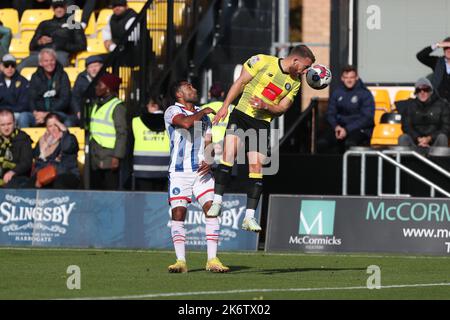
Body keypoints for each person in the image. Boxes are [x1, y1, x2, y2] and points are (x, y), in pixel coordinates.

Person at [206, 45, 316, 232]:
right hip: (240, 115)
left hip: (261, 123)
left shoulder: (296, 82)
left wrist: (266, 105)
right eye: (305, 67)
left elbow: (282, 109)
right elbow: (240, 82)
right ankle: (217, 202)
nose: (306, 72)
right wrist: (225, 106)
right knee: (228, 156)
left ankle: (249, 217)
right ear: (295, 60)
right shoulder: (262, 61)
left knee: (256, 168)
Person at [164, 80, 229, 273]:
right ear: (179, 94)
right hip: (179, 172)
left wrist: (210, 158)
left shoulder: (204, 114)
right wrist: (202, 112)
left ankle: (212, 260)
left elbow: (209, 140)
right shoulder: (172, 111)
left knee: (212, 210)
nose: (193, 88)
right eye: (188, 86)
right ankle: (181, 261)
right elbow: (185, 123)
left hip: (202, 172)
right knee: (178, 213)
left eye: (193, 85)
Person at [317, 65, 375, 154]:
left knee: (350, 143)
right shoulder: (337, 93)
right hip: (340, 128)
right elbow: (330, 113)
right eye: (346, 77)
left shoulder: (365, 94)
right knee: (322, 143)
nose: (349, 80)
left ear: (356, 78)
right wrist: (336, 127)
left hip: (359, 129)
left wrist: (347, 129)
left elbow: (367, 118)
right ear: (342, 78)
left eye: (352, 77)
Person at [18, 0, 87, 70]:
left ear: (66, 8)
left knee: (58, 68)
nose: (59, 10)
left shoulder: (75, 25)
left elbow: (82, 45)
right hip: (41, 53)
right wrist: (39, 42)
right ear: (53, 9)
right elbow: (31, 46)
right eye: (56, 7)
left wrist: (64, 45)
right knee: (20, 66)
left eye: (61, 7)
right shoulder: (44, 24)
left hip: (60, 54)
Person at [89, 72, 127, 190]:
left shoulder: (117, 106)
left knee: (110, 189)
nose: (96, 87)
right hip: (96, 153)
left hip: (109, 155)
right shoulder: (97, 104)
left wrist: (117, 157)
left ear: (108, 89)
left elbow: (122, 133)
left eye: (100, 85)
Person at [398, 78, 449, 151]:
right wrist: (418, 139)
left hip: (435, 143)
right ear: (416, 93)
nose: (422, 92)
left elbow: (446, 127)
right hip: (415, 143)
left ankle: (441, 162)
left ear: (430, 91)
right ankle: (403, 162)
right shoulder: (410, 106)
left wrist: (429, 138)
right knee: (403, 138)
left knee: (442, 137)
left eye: (426, 90)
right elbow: (406, 127)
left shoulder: (442, 105)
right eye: (419, 90)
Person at [131, 96, 170, 191]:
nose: (147, 106)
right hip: (164, 168)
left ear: (154, 106)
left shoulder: (136, 121)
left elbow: (130, 144)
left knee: (145, 201)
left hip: (142, 169)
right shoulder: (170, 122)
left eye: (149, 104)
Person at [32, 113, 80, 189]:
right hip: (46, 176)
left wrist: (65, 132)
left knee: (58, 182)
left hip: (67, 175)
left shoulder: (69, 138)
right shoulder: (42, 142)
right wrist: (40, 176)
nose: (53, 128)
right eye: (50, 126)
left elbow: (67, 148)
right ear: (47, 128)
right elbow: (38, 164)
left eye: (56, 125)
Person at [28, 48, 74, 127]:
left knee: (69, 121)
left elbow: (65, 99)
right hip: (39, 113)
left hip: (58, 112)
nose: (49, 63)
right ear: (40, 63)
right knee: (23, 118)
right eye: (46, 61)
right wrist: (35, 112)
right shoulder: (35, 76)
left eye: (52, 60)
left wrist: (48, 113)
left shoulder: (63, 75)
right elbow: (31, 98)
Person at [201, 83, 234, 165]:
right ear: (223, 94)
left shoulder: (202, 109)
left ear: (209, 94)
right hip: (227, 150)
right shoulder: (232, 108)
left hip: (208, 150)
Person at [0, 108, 33, 188]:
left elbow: (26, 162)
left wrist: (13, 172)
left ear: (14, 123)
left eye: (9, 124)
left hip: (18, 176)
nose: (6, 128)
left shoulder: (23, 138)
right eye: (3, 125)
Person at [0, 54, 34, 128]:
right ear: (1, 66)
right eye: (6, 65)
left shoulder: (24, 82)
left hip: (17, 113)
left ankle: (22, 138)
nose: (10, 68)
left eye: (12, 65)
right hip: (1, 113)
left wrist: (8, 112)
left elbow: (24, 104)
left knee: (22, 117)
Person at [71, 55, 104, 125]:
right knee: (69, 123)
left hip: (102, 112)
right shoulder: (81, 77)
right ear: (87, 69)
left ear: (102, 66)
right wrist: (78, 111)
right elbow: (75, 97)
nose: (94, 69)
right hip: (84, 112)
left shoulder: (107, 77)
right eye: (91, 67)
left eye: (96, 66)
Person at [417, 37, 450, 102]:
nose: (448, 50)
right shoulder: (437, 62)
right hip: (439, 103)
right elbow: (420, 56)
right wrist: (437, 45)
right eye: (446, 48)